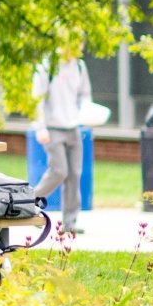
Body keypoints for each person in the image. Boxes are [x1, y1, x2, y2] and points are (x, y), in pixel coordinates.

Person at [33, 45, 93, 235]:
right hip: (52, 128)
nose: (80, 47)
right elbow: (37, 99)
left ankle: (70, 222)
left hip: (74, 127)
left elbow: (85, 95)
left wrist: (87, 116)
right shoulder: (48, 66)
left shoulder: (80, 67)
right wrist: (40, 127)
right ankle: (30, 204)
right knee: (59, 171)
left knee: (74, 174)